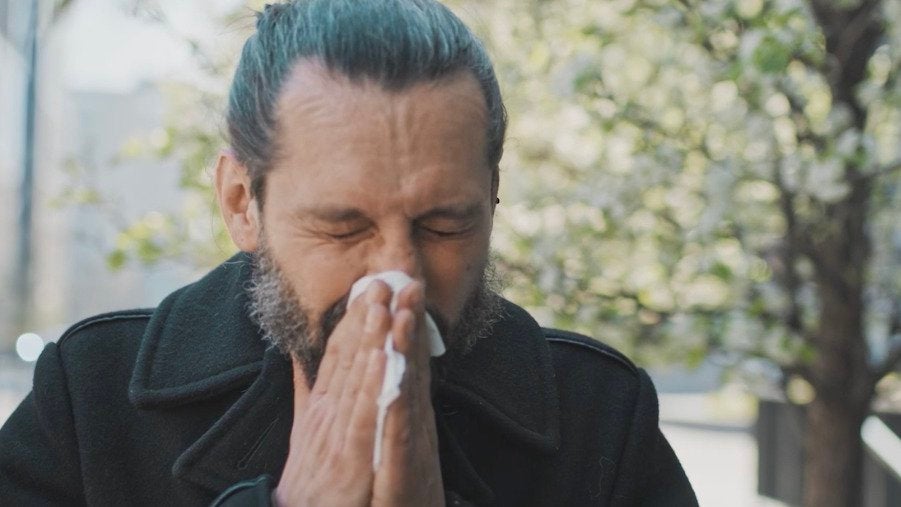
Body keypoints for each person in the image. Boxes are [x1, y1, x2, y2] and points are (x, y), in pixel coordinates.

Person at [0, 0, 697, 505]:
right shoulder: (91, 398)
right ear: (242, 203)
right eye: (342, 227)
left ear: (491, 199)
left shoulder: (600, 418)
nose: (398, 274)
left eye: (443, 226)